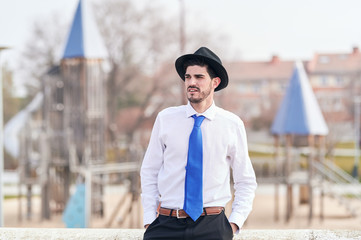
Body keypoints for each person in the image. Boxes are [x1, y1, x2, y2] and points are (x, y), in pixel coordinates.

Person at [140, 47, 257, 240]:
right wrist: (149, 219)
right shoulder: (165, 119)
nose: (191, 82)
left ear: (215, 82)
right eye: (187, 77)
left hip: (213, 226)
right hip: (165, 225)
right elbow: (149, 171)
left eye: (199, 77)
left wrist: (234, 223)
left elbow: (245, 180)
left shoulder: (232, 124)